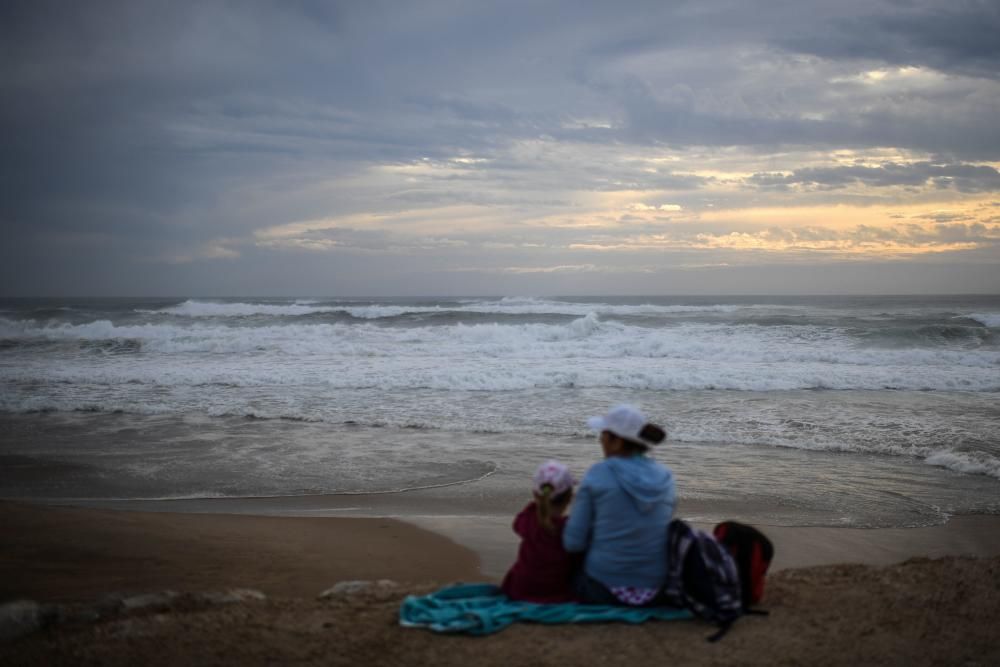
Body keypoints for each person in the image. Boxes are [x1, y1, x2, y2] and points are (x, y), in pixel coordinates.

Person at [563, 404, 675, 606]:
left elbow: (573, 542)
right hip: (656, 589)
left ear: (617, 441)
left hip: (602, 588)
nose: (600, 439)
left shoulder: (599, 473)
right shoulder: (665, 477)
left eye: (604, 434)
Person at [500, 460, 580, 603]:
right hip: (556, 594)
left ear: (535, 494)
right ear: (570, 497)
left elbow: (516, 525)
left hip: (519, 590)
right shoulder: (569, 527)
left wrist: (534, 505)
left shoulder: (528, 520)